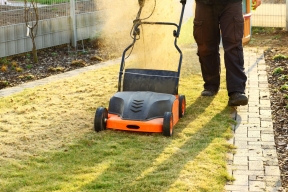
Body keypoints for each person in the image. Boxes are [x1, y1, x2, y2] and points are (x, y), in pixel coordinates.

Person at [193, 0, 261, 106]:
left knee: (233, 45)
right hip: (204, 3)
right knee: (205, 45)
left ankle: (236, 91)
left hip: (231, 3)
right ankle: (211, 85)